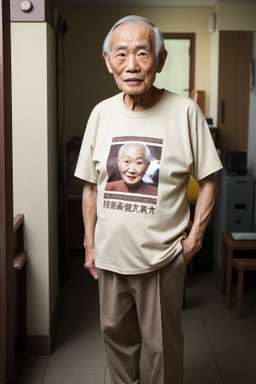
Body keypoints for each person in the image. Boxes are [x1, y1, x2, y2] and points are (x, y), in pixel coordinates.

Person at [75, 15, 222, 384]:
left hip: (161, 260)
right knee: (117, 344)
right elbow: (91, 186)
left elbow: (209, 179)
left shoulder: (185, 112)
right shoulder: (101, 114)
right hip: (110, 258)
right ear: (107, 60)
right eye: (121, 54)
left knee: (164, 352)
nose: (132, 65)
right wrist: (90, 243)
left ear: (160, 59)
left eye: (143, 53)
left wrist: (195, 238)